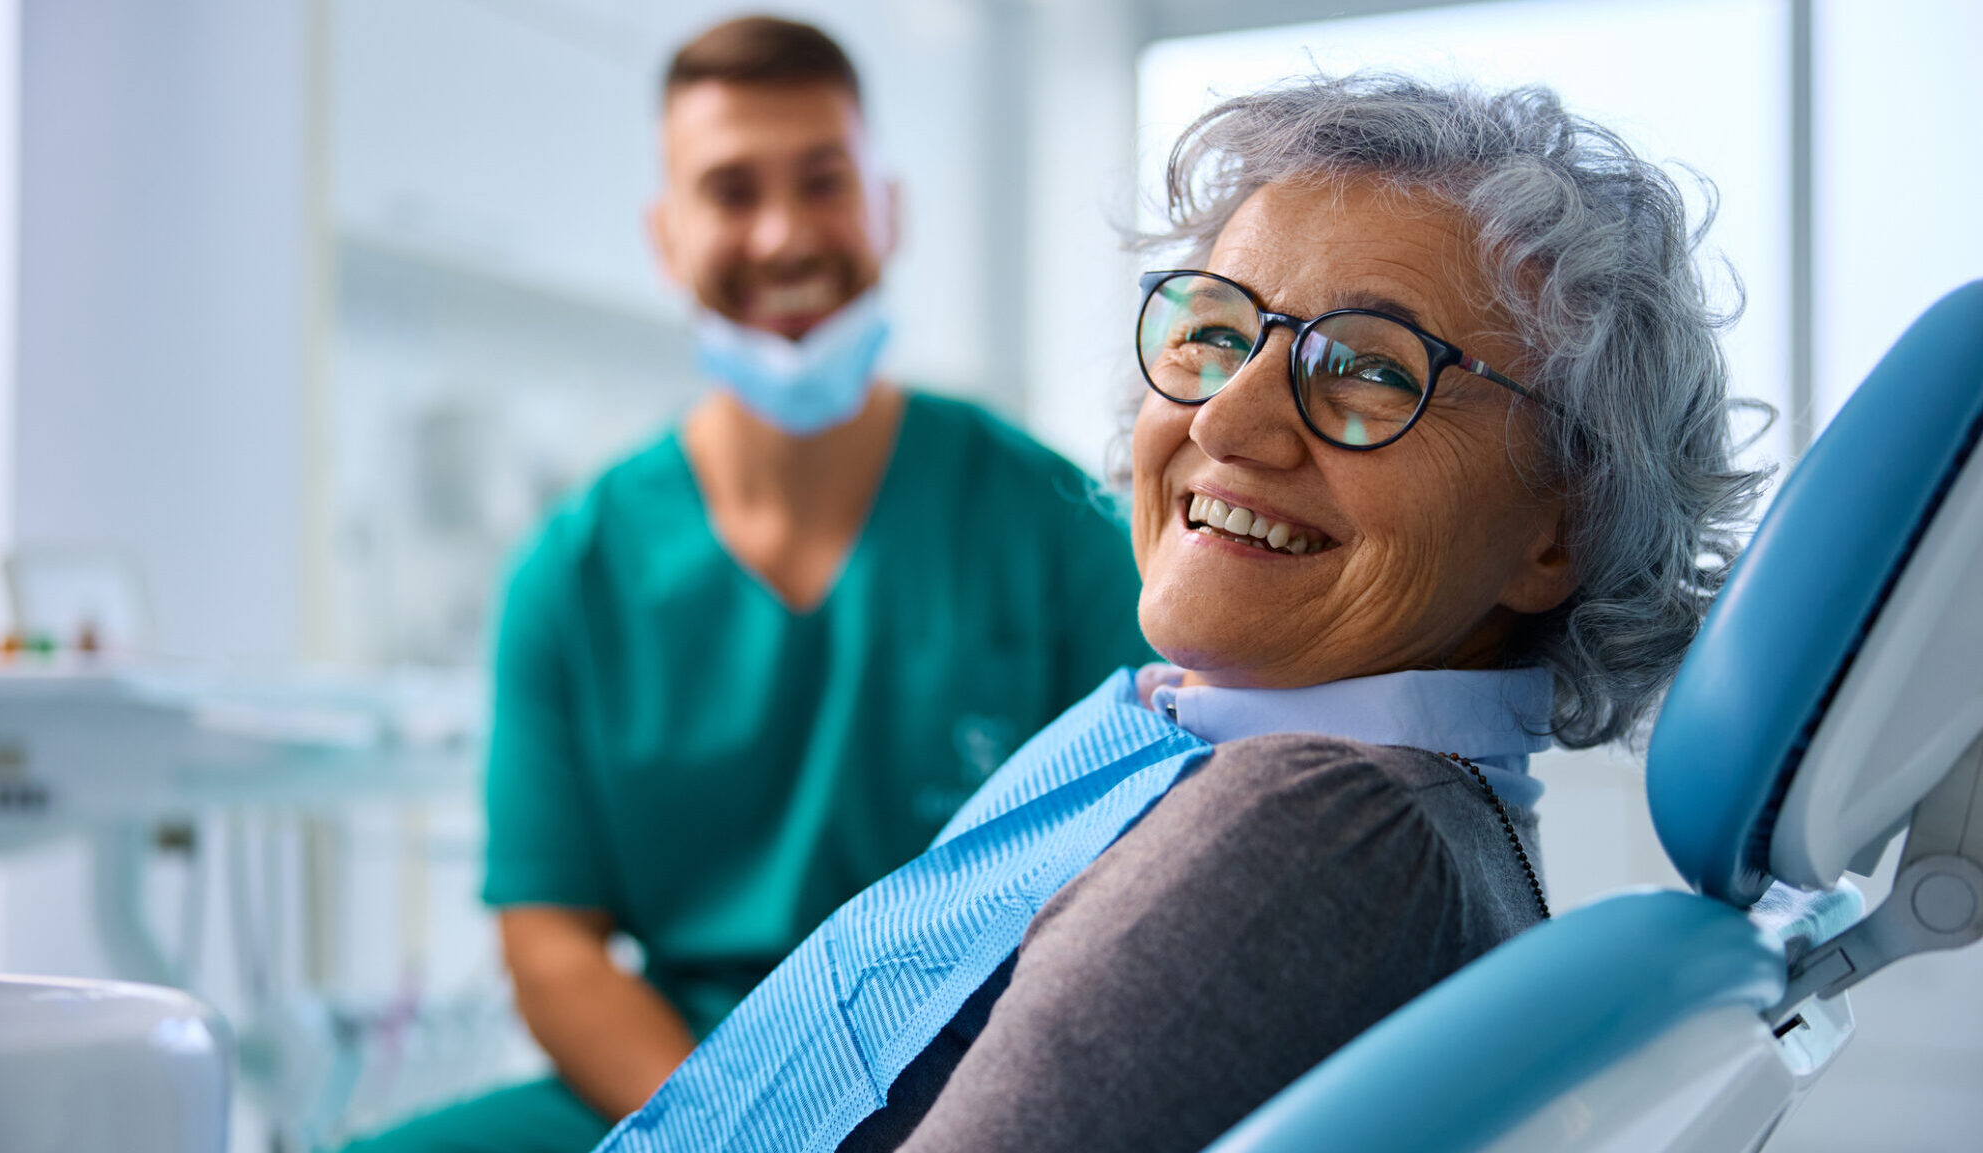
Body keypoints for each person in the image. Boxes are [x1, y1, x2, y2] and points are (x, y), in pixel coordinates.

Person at [592, 74, 1768, 1153]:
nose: (1223, 420)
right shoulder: (1233, 752)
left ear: (1557, 525)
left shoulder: (1324, 826)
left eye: (1371, 369)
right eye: (1214, 332)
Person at [340, 16, 1150, 1153]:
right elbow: (551, 943)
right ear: (666, 237)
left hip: (980, 1076)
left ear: (888, 210)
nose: (782, 234)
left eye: (823, 182)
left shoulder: (1052, 527)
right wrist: (731, 1128)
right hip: (679, 1080)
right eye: (730, 191)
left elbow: (1140, 877)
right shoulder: (573, 575)